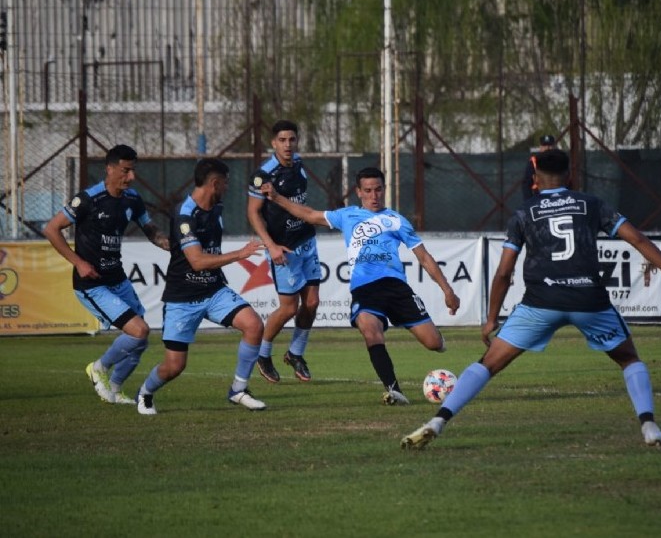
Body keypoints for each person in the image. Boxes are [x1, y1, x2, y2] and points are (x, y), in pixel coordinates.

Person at [401, 149, 661, 449]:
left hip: (540, 303)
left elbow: (504, 272)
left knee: (488, 364)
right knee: (628, 359)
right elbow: (636, 238)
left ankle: (437, 422)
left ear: (535, 179)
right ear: (569, 176)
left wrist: (491, 318)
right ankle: (649, 427)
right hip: (589, 300)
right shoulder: (591, 204)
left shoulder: (525, 212)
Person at [264, 166, 461, 405]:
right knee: (370, 329)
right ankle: (394, 390)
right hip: (365, 289)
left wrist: (447, 290)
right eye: (368, 190)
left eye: (378, 189)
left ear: (384, 189)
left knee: (433, 343)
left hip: (396, 287)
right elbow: (309, 214)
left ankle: (437, 341)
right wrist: (276, 198)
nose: (374, 195)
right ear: (359, 192)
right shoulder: (347, 215)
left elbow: (425, 257)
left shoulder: (396, 220)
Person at [135, 158, 266, 415]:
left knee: (253, 325)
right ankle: (145, 392)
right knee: (174, 366)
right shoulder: (186, 215)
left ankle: (238, 390)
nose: (228, 188)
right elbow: (196, 261)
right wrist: (240, 254)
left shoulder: (215, 208)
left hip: (214, 290)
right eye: (226, 183)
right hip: (182, 298)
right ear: (215, 183)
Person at [43, 144, 169, 405]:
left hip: (118, 279)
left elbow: (151, 230)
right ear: (109, 169)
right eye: (125, 171)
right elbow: (52, 229)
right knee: (139, 331)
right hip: (92, 284)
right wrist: (78, 262)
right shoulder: (89, 199)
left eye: (133, 171)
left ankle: (114, 388)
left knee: (140, 340)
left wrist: (176, 248)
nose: (130, 177)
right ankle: (98, 368)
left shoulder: (132, 199)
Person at [247, 120, 320, 383]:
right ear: (273, 143)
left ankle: (295, 353)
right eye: (282, 140)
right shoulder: (264, 174)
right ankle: (263, 354)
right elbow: (253, 213)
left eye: (291, 139)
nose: (288, 145)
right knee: (289, 308)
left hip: (307, 241)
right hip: (283, 248)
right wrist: (271, 245)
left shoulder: (298, 162)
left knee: (312, 303)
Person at [521, 134, 556, 201]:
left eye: (550, 145)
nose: (547, 148)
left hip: (557, 198)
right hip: (539, 198)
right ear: (540, 147)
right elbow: (526, 184)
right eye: (544, 145)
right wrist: (529, 202)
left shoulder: (560, 160)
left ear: (554, 147)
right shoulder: (534, 161)